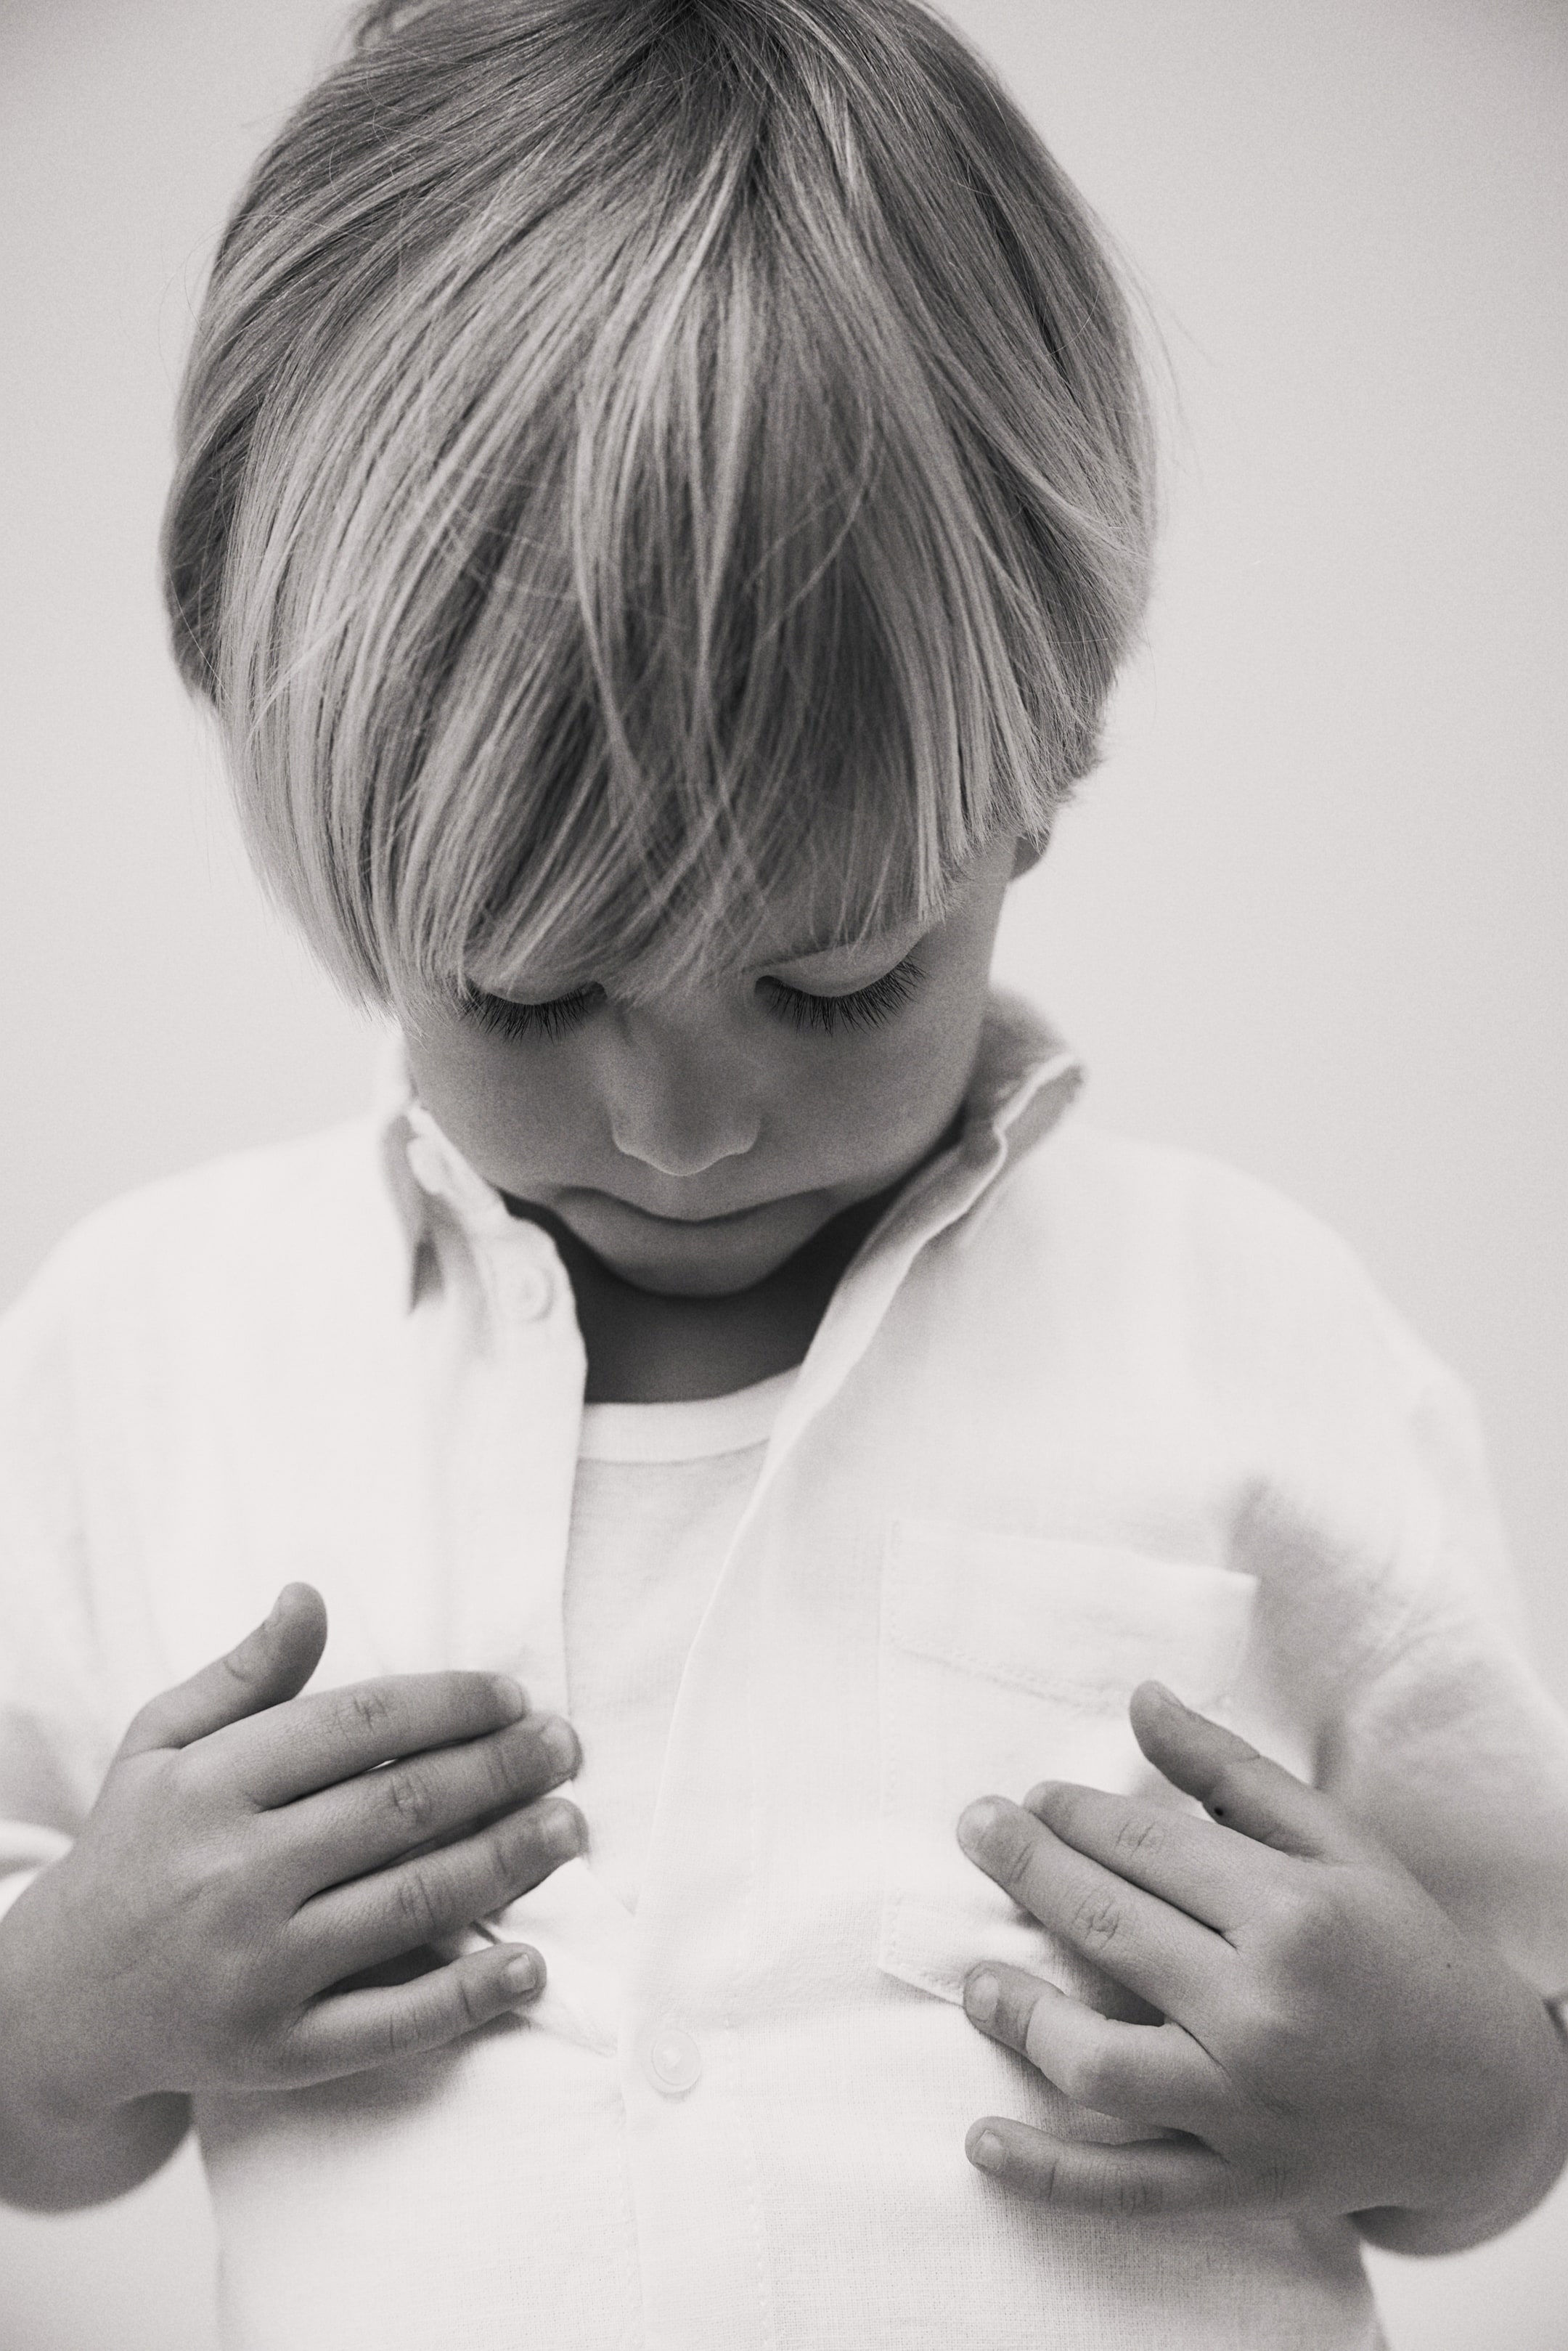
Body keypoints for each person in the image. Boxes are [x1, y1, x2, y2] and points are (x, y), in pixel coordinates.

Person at [1, 1, 1565, 2344]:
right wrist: (69, 2012)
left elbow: (1487, 2061)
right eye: (525, 999)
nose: (685, 1122)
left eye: (832, 983)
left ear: (1043, 769)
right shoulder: (147, 1355)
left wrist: (1484, 2111)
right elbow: (43, 2121)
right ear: (303, 819)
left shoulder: (1258, 1331)